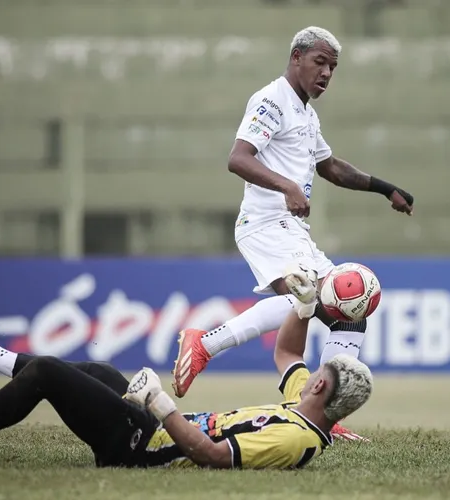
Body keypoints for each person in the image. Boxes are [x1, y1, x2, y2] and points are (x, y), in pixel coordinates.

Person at [169, 26, 412, 442]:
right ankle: (205, 343)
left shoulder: (307, 115)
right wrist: (287, 186)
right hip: (266, 224)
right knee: (307, 297)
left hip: (291, 229)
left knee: (349, 315)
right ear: (296, 57)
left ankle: (322, 416)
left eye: (333, 67)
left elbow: (331, 168)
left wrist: (385, 188)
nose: (327, 73)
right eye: (320, 62)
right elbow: (238, 158)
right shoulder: (271, 100)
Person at [0, 283, 373, 469]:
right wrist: (303, 305)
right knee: (97, 370)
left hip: (144, 448)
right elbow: (287, 350)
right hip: (153, 430)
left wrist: (160, 403)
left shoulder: (292, 436)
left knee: (50, 372)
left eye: (318, 373)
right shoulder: (304, 408)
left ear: (321, 386)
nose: (310, 373)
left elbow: (210, 455)